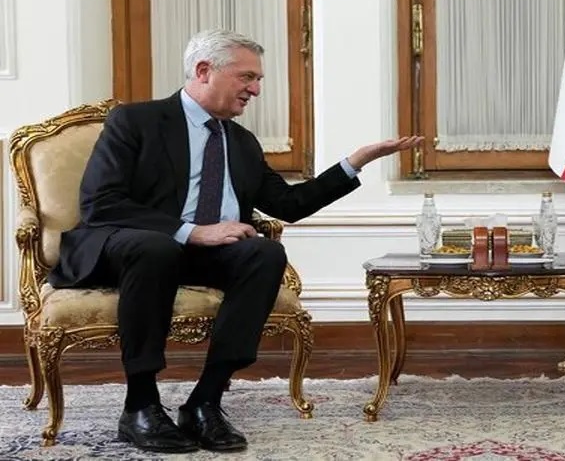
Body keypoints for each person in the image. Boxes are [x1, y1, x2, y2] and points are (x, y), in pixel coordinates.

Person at [48, 28, 423, 454]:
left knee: (264, 253)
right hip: (128, 248)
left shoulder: (241, 142)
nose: (256, 89)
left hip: (196, 255)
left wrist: (354, 163)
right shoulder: (137, 121)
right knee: (157, 247)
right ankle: (140, 406)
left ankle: (205, 402)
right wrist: (192, 231)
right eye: (247, 77)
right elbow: (101, 202)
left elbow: (290, 204)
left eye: (258, 79)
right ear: (203, 71)